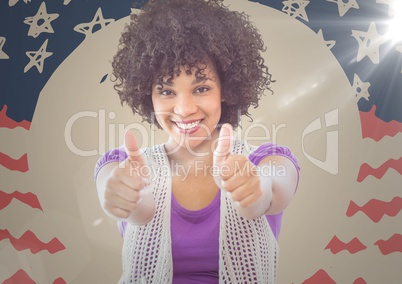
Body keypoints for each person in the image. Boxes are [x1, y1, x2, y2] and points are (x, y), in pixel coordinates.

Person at [94, 0, 300, 283]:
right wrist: (129, 199)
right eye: (166, 91)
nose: (184, 109)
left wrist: (258, 193)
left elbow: (274, 188)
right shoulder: (124, 166)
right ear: (147, 95)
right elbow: (135, 207)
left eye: (201, 88)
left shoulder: (268, 160)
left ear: (225, 89)